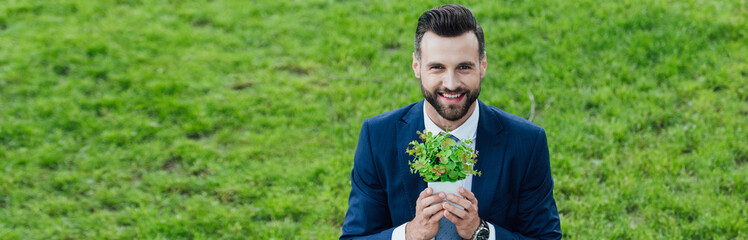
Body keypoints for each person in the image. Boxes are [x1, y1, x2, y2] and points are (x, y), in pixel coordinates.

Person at [340, 4, 561, 240]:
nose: (451, 83)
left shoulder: (527, 142)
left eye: (464, 67)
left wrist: (481, 232)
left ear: (483, 65)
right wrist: (410, 234)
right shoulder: (377, 137)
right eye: (437, 67)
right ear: (416, 66)